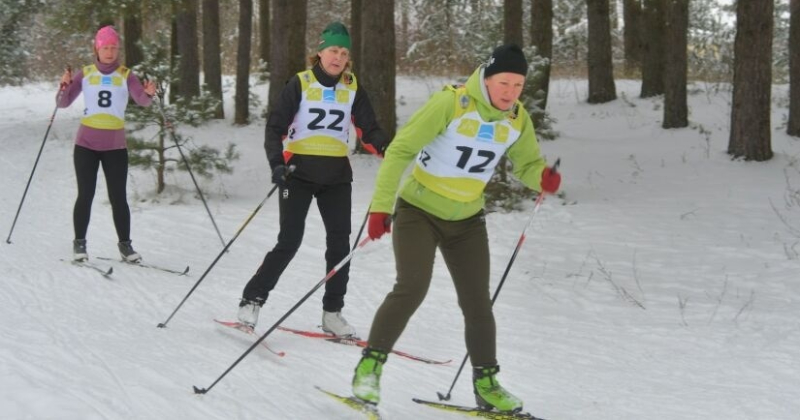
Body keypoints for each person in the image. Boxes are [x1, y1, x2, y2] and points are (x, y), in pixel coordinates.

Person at [350, 44, 561, 413]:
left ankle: (487, 384)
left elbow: (527, 164)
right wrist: (382, 207)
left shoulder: (516, 118)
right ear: (486, 77)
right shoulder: (452, 103)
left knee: (478, 303)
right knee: (411, 287)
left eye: (518, 85)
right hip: (419, 210)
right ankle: (369, 367)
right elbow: (400, 150)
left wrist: (541, 177)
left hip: (467, 221)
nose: (510, 92)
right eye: (504, 83)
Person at [236, 22, 389, 337]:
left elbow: (368, 129)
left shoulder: (352, 86)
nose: (339, 57)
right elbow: (274, 127)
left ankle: (333, 312)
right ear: (320, 52)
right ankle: (252, 299)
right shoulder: (300, 83)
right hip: (298, 175)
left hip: (336, 176)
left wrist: (385, 147)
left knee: (340, 244)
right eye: (333, 50)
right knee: (289, 241)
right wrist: (277, 164)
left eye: (344, 52)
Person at [58, 25, 156, 263]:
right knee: (86, 195)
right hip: (86, 145)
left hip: (115, 147)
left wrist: (150, 93)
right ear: (97, 49)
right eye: (105, 47)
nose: (110, 52)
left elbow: (142, 101)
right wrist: (64, 85)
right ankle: (79, 244)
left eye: (114, 47)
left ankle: (126, 247)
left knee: (118, 198)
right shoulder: (86, 73)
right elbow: (62, 103)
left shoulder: (125, 74)